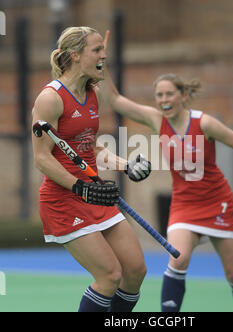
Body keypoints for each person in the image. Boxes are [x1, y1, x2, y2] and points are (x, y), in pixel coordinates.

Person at [100, 67, 233, 312]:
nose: (164, 100)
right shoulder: (157, 120)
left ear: (183, 96)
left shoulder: (205, 123)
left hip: (217, 202)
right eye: (159, 95)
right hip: (184, 205)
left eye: (169, 94)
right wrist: (101, 67)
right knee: (178, 260)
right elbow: (115, 100)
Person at [31, 26, 152, 312]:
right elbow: (42, 158)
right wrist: (79, 186)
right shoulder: (50, 99)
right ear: (75, 55)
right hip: (63, 201)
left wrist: (125, 165)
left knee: (135, 271)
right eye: (97, 50)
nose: (104, 55)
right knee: (110, 276)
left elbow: (89, 145)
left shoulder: (91, 93)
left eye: (103, 50)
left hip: (93, 196)